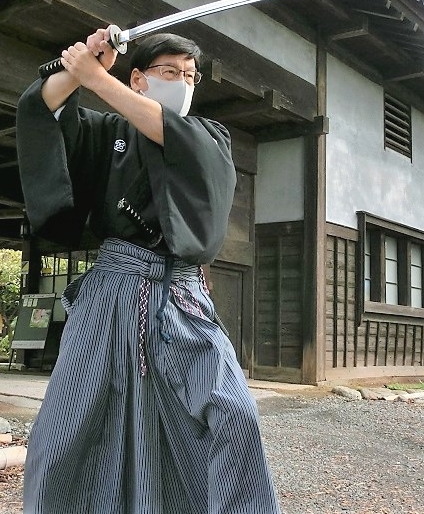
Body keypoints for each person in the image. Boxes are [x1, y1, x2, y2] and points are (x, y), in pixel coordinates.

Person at [16, 27, 281, 514]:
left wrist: (96, 79)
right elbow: (43, 109)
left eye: (190, 76)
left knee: (232, 413)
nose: (182, 82)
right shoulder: (105, 132)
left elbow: (171, 134)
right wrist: (79, 68)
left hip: (180, 297)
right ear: (137, 78)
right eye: (169, 72)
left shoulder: (207, 136)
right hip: (109, 291)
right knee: (70, 427)